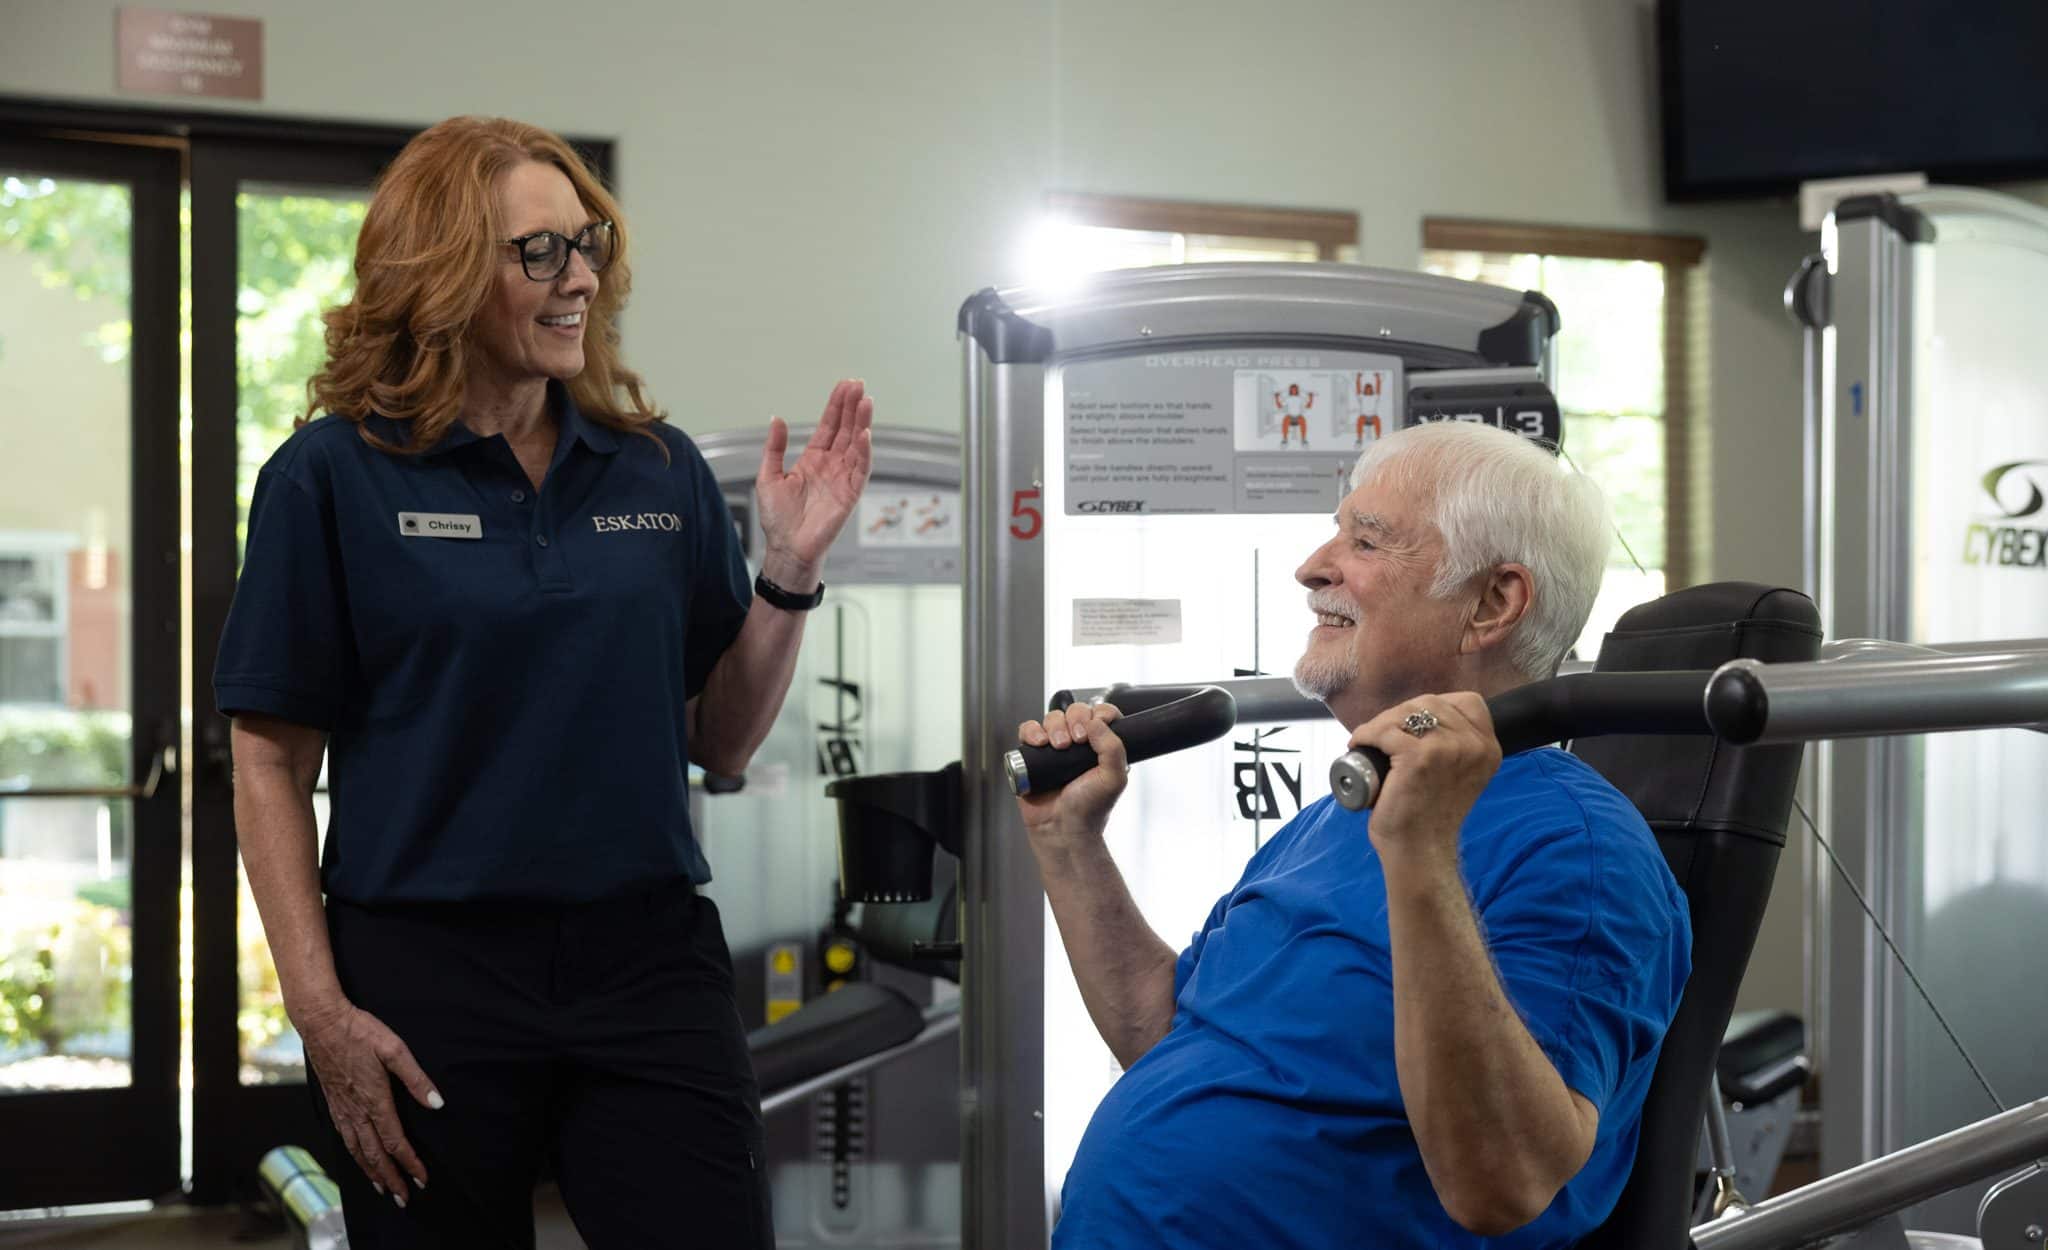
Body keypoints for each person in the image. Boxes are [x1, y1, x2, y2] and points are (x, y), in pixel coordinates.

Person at [213, 115, 873, 1248]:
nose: (579, 278)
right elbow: (269, 757)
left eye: (589, 243)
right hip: (424, 971)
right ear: (441, 270)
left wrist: (789, 570)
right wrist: (319, 1011)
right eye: (539, 252)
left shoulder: (653, 469)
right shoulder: (329, 476)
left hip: (645, 958)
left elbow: (717, 741)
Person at [1016, 420, 1692, 1249]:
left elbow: (1504, 1181)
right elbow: (1162, 1038)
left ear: (1491, 603)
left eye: (1366, 541)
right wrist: (1069, 843)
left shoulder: (1579, 849)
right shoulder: (1332, 824)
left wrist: (1418, 852)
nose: (1312, 567)